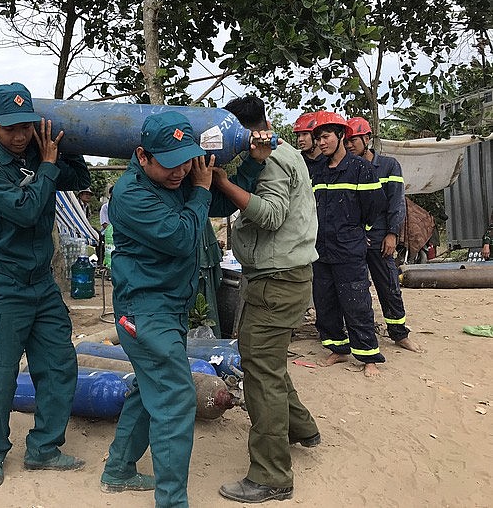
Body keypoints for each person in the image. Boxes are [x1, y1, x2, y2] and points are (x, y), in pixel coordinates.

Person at [100, 111, 260, 507]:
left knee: (148, 389)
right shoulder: (131, 195)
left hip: (168, 308)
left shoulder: (182, 178)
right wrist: (201, 188)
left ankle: (118, 469)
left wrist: (251, 163)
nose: (179, 172)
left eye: (185, 161)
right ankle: (171, 501)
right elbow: (180, 237)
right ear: (142, 156)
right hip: (143, 311)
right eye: (169, 163)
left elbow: (219, 202)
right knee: (174, 397)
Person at [0, 83, 91, 489]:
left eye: (26, 126)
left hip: (43, 284)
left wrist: (63, 142)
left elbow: (80, 176)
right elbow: (26, 210)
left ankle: (44, 448)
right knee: (0, 377)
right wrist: (48, 165)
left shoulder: (39, 153)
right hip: (4, 285)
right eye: (10, 129)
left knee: (58, 366)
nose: (20, 136)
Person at [216, 96, 320, 504]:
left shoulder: (273, 158)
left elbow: (272, 214)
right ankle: (302, 428)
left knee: (260, 372)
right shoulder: (280, 150)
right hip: (283, 278)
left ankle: (272, 476)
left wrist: (223, 183)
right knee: (267, 361)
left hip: (277, 282)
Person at [311, 111, 387, 377]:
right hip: (320, 250)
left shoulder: (361, 169)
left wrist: (358, 230)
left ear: (341, 136)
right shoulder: (318, 170)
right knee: (325, 302)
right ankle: (338, 348)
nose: (321, 143)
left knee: (356, 302)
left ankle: (368, 356)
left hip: (349, 249)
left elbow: (375, 206)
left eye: (326, 137)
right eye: (318, 138)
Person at [344, 116, 422, 353]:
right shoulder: (347, 168)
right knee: (353, 289)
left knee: (388, 285)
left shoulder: (389, 166)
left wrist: (392, 234)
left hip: (380, 237)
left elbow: (396, 203)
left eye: (353, 140)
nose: (349, 145)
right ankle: (355, 335)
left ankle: (399, 333)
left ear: (367, 138)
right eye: (346, 141)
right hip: (355, 238)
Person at [293, 112, 325, 181]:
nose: (300, 139)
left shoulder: (329, 160)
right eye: (298, 135)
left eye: (305, 134)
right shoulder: (296, 161)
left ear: (316, 135)